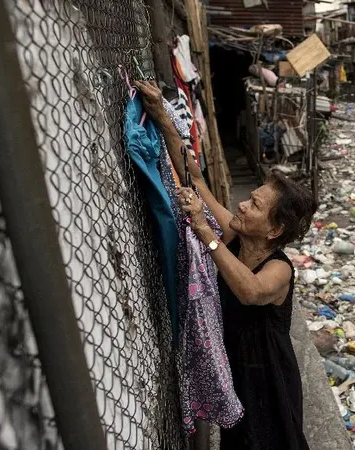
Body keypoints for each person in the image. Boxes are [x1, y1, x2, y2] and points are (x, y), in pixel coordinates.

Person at [135, 80, 316, 450]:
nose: (243, 205)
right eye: (249, 198)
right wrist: (163, 118)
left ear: (275, 229)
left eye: (255, 206)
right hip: (233, 367)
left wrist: (205, 230)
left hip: (268, 378)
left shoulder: (279, 269)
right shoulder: (233, 237)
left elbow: (249, 291)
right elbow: (195, 177)